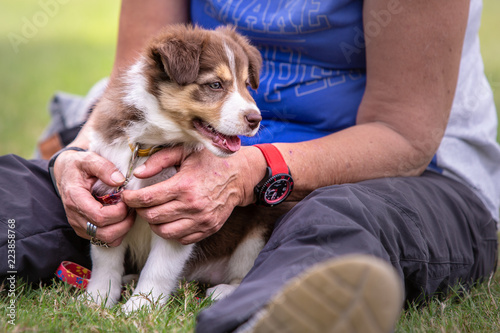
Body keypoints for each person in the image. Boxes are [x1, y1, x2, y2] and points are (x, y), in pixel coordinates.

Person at [1, 0, 499, 332]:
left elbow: (404, 136)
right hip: (171, 144)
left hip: (380, 175)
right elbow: (133, 82)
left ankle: (260, 314)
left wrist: (256, 168)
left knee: (334, 226)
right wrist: (76, 160)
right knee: (13, 192)